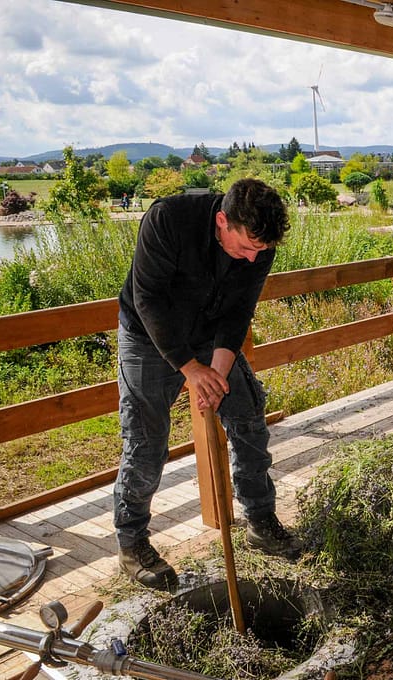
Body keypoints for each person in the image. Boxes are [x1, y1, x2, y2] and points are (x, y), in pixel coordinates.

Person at [114, 178, 298, 590]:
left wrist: (215, 371)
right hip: (148, 335)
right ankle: (132, 544)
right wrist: (191, 370)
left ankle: (260, 519)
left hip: (211, 333)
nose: (253, 259)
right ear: (221, 220)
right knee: (146, 442)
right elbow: (148, 299)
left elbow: (238, 313)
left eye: (261, 252)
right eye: (245, 247)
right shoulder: (168, 219)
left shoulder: (259, 245)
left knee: (249, 417)